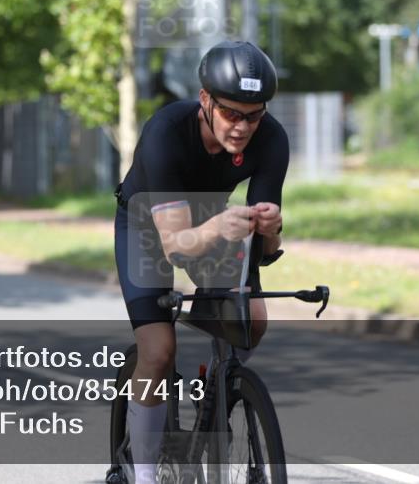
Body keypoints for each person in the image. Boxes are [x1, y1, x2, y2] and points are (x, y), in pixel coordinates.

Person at [114, 40, 289, 484]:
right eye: (232, 113)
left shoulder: (272, 139)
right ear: (206, 100)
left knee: (252, 318)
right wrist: (221, 229)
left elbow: (264, 256)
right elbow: (173, 246)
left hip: (213, 223)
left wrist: (270, 230)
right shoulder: (166, 132)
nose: (243, 127)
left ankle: (219, 392)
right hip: (148, 228)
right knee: (158, 350)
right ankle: (146, 474)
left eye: (254, 115)